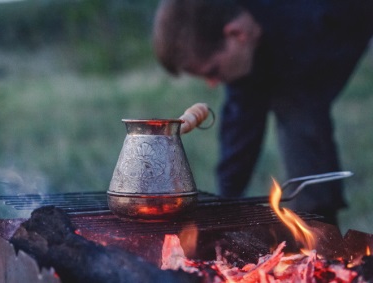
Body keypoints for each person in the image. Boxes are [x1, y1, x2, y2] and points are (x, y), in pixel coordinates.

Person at [152, 0, 373, 225]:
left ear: (236, 34)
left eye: (213, 71)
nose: (212, 83)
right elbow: (242, 119)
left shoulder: (305, 17)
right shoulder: (245, 36)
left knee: (294, 104)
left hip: (345, 17)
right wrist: (225, 200)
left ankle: (318, 223)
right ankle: (317, 225)